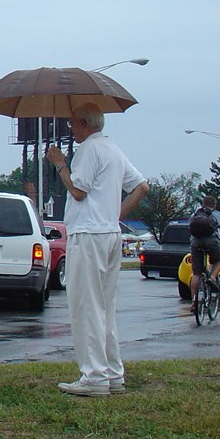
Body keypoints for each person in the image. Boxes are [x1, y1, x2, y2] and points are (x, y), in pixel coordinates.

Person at [46, 103, 149, 397]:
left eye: (72, 124)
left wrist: (60, 163)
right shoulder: (113, 148)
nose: (71, 130)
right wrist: (115, 214)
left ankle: (93, 376)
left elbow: (78, 190)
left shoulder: (88, 150)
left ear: (82, 123)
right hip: (110, 234)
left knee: (85, 305)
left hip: (88, 234)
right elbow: (141, 187)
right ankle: (112, 372)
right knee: (105, 306)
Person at [188, 195, 220, 314]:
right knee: (219, 259)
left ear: (202, 204)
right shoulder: (219, 215)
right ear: (214, 205)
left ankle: (194, 302)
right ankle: (212, 278)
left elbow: (190, 229)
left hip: (196, 242)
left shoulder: (195, 214)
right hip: (212, 241)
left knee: (196, 274)